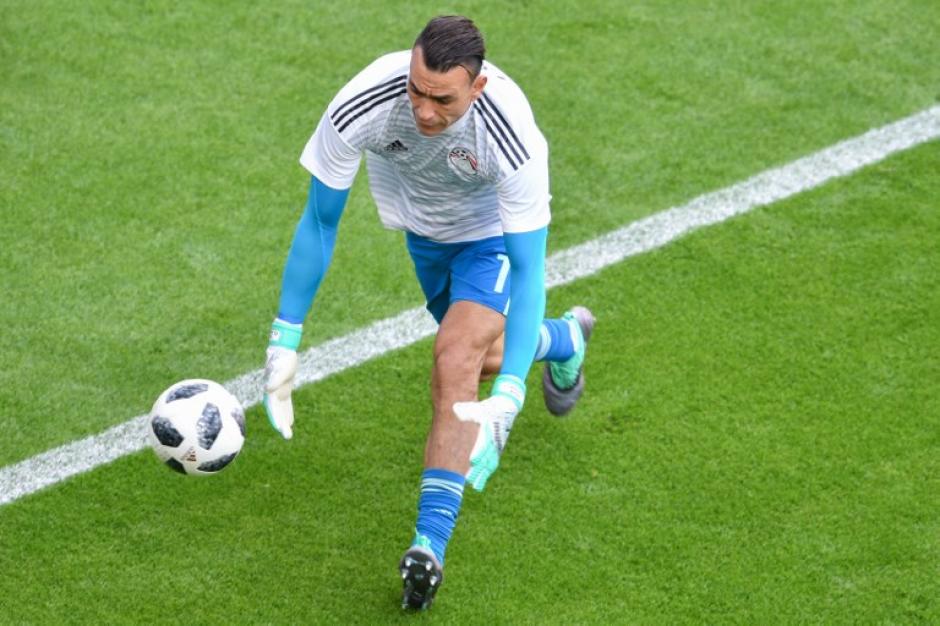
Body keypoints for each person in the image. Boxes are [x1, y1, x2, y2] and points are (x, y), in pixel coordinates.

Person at [262, 15, 595, 610]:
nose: (423, 109)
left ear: (478, 87)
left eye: (442, 99)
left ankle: (428, 545)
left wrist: (513, 396)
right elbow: (319, 221)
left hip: (491, 239)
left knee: (456, 357)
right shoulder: (366, 100)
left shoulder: (511, 136)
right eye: (417, 89)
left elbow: (528, 269)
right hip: (424, 237)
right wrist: (283, 341)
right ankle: (564, 340)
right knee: (479, 360)